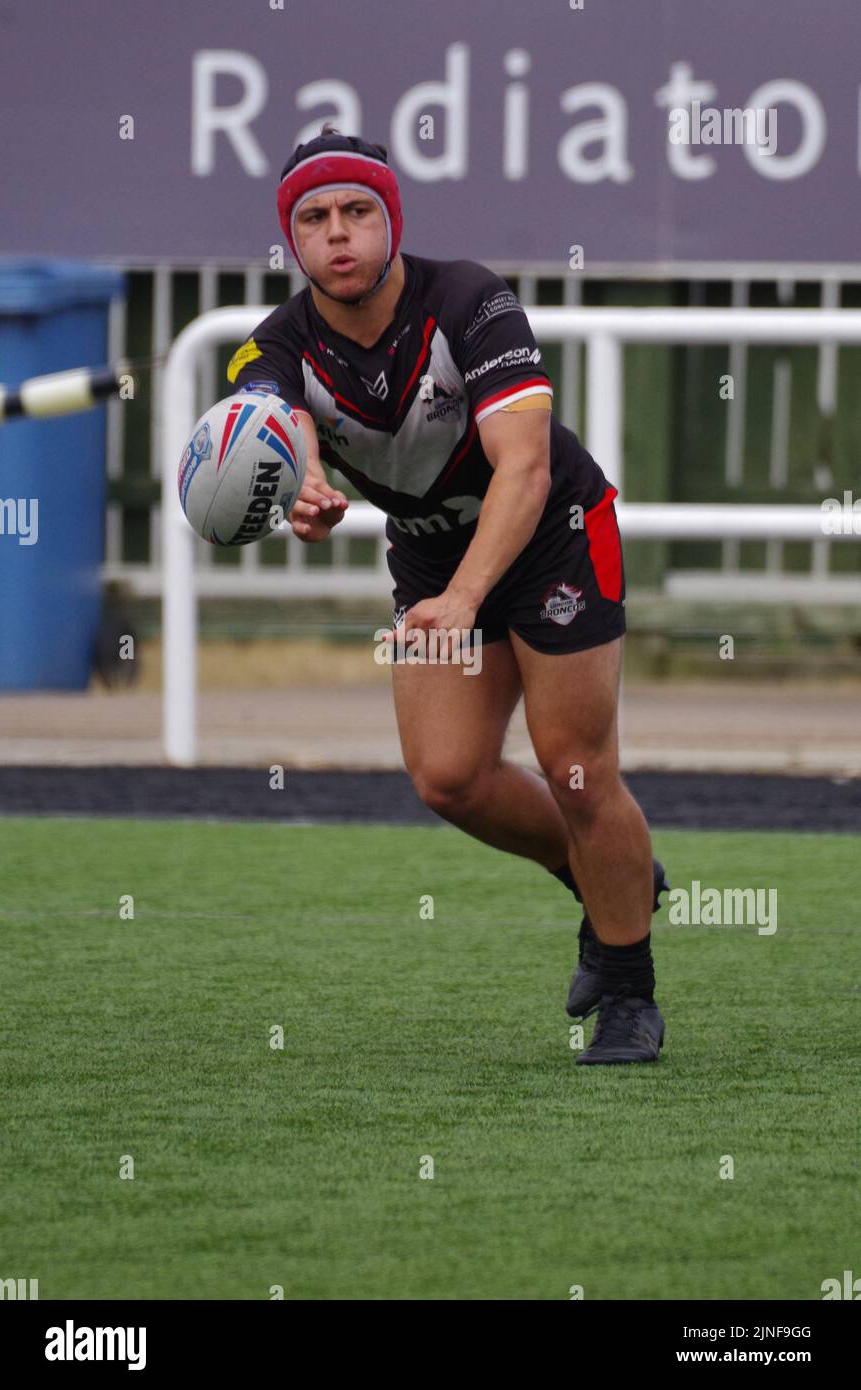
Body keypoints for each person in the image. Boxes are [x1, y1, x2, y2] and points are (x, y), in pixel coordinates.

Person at [228, 124, 669, 1064]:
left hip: (552, 534)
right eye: (314, 217)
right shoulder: (272, 344)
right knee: (448, 777)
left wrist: (469, 599)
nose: (338, 233)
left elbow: (526, 471)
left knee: (576, 770)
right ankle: (608, 878)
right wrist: (303, 486)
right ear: (290, 237)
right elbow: (274, 420)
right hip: (430, 559)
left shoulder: (471, 299)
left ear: (392, 220)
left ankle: (628, 987)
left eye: (358, 211)